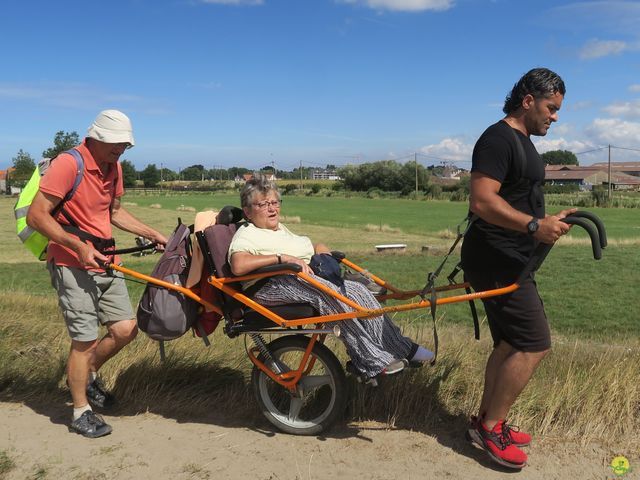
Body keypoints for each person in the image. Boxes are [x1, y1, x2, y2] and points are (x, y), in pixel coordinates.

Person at [27, 110, 168, 438]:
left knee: (125, 328)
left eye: (126, 146)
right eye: (117, 144)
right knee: (85, 339)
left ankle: (85, 376)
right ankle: (80, 411)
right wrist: (75, 245)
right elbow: (37, 216)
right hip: (71, 263)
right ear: (97, 138)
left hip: (106, 259)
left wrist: (151, 232)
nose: (121, 151)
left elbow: (114, 211)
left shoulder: (113, 166)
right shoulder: (68, 164)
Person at [460, 68, 576, 469]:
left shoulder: (523, 140)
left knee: (509, 344)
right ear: (528, 101)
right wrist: (533, 226)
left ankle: (484, 421)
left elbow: (516, 196)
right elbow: (481, 201)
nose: (555, 117)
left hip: (509, 258)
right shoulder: (498, 138)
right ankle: (493, 427)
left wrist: (547, 218)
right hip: (496, 260)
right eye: (551, 107)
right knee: (534, 344)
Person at [228, 174, 434, 380]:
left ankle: (401, 347)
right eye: (263, 204)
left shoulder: (280, 229)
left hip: (302, 278)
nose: (272, 209)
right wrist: (281, 258)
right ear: (247, 211)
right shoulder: (248, 232)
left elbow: (309, 248)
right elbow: (238, 264)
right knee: (331, 296)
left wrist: (322, 251)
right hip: (270, 286)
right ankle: (371, 360)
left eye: (274, 202)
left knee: (358, 291)